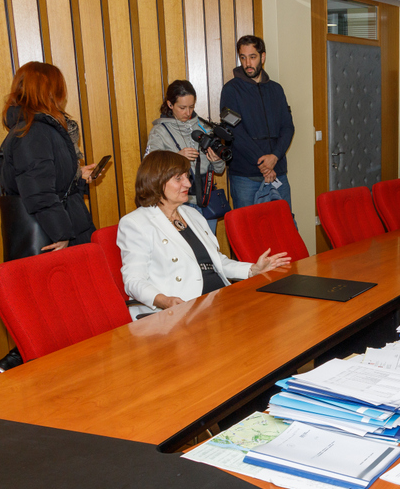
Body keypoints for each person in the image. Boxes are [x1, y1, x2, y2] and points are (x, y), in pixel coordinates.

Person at [117, 151, 290, 320]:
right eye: (178, 178)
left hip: (218, 298)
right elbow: (134, 281)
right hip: (183, 309)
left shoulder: (192, 214)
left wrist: (253, 269)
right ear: (156, 181)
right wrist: (165, 301)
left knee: (275, 313)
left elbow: (217, 262)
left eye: (187, 177)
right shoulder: (135, 223)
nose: (188, 184)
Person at [0, 61, 96, 253]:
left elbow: (51, 182)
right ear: (49, 92)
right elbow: (39, 192)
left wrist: (77, 177)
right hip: (53, 236)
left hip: (66, 225)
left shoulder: (40, 128)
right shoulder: (33, 132)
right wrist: (61, 233)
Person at [219, 35, 295, 210]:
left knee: (283, 225)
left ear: (263, 56)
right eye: (243, 57)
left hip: (278, 173)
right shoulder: (230, 90)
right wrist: (264, 165)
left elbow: (288, 127)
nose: (248, 63)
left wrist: (274, 157)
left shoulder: (276, 90)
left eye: (252, 57)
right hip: (245, 177)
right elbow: (235, 132)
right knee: (247, 227)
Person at [145, 80, 227, 231]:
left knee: (209, 244)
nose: (187, 113)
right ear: (170, 104)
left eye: (191, 107)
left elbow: (220, 169)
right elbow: (150, 169)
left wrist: (216, 160)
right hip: (178, 203)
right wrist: (177, 157)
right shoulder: (159, 131)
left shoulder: (204, 127)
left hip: (206, 199)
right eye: (182, 108)